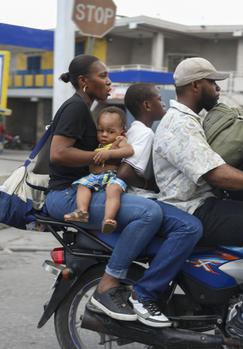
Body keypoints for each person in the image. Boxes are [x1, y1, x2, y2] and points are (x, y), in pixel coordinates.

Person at [153, 57, 243, 349]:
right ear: (195, 85)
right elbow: (218, 175)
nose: (217, 88)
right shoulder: (179, 124)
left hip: (199, 202)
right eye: (212, 82)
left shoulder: (192, 119)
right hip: (192, 208)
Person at [44, 55, 163, 322]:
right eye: (102, 76)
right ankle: (107, 286)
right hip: (66, 195)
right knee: (149, 213)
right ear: (84, 82)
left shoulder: (84, 109)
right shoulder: (76, 108)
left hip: (77, 191)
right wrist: (100, 156)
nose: (109, 81)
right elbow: (59, 153)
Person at [115, 83, 202, 328]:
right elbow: (125, 173)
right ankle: (145, 294)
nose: (164, 104)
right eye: (159, 100)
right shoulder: (146, 133)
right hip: (140, 200)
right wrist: (154, 186)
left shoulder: (137, 130)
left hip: (135, 197)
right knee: (189, 228)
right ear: (147, 105)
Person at [63, 107, 134, 233]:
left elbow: (129, 151)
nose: (104, 134)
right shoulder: (99, 144)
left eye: (110, 131)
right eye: (100, 130)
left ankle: (108, 219)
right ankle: (82, 211)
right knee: (82, 186)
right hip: (96, 177)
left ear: (121, 132)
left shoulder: (119, 141)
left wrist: (110, 154)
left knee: (113, 192)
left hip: (112, 176)